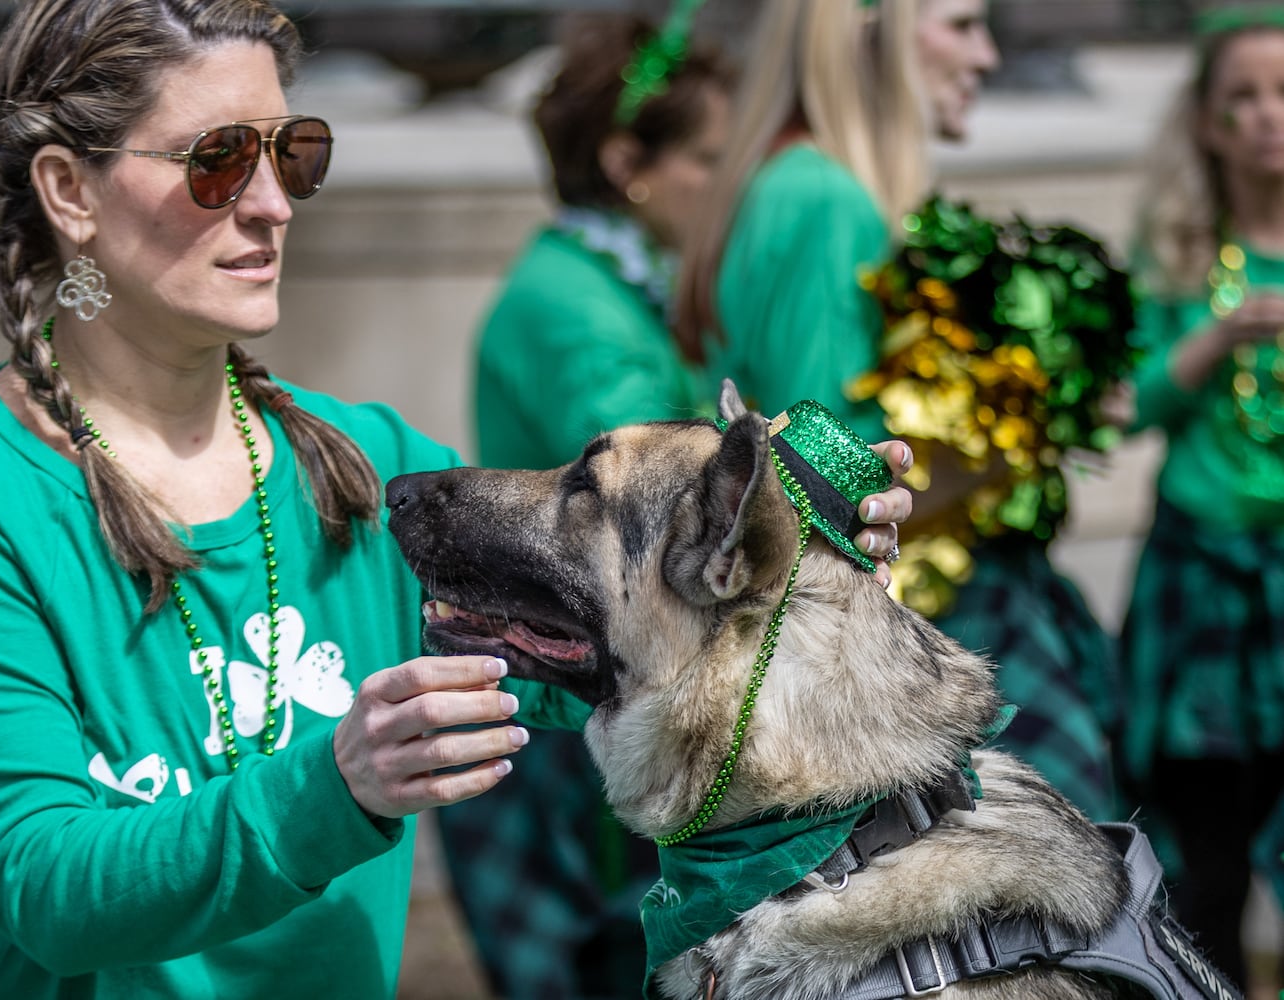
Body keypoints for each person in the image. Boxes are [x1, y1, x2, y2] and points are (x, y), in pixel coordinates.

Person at [0, 1, 916, 996]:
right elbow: (43, 888)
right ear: (69, 190)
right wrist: (337, 786)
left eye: (292, 152)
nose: (271, 204)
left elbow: (618, 654)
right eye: (217, 161)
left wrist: (799, 553)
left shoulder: (364, 462)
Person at [675, 0, 1126, 825]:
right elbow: (825, 484)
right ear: (867, 35)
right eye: (961, 23)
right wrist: (1023, 431)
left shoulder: (788, 181)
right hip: (879, 648)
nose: (987, 56)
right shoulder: (823, 197)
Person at [444, 12, 738, 997]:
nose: (726, 184)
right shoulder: (568, 306)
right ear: (628, 162)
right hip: (563, 708)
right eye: (708, 157)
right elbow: (663, 499)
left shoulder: (622, 282)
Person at [1119, 3, 1284, 987]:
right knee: (1203, 851)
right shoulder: (1184, 247)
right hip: (1201, 579)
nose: (1269, 115)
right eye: (1243, 97)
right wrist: (1213, 339)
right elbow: (1127, 406)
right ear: (1208, 120)